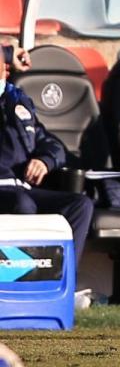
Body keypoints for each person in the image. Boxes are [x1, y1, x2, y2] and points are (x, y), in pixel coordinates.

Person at [0, 45, 93, 268]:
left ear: (5, 70)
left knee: (80, 205)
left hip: (23, 187)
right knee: (23, 204)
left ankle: (64, 281)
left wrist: (45, 160)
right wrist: (11, 51)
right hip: (4, 190)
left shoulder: (17, 104)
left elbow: (51, 143)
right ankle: (19, 282)